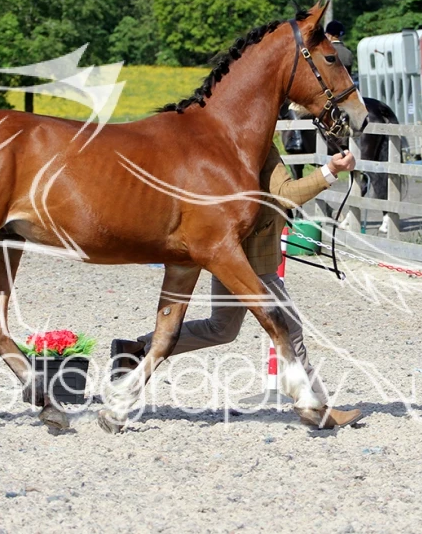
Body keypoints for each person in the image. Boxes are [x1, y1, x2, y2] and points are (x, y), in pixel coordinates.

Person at [110, 145, 363, 428]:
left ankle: (136, 350)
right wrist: (331, 171)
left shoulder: (224, 145)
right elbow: (288, 195)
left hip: (231, 258)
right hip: (252, 265)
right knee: (290, 330)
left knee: (222, 329)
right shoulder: (260, 148)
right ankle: (316, 408)